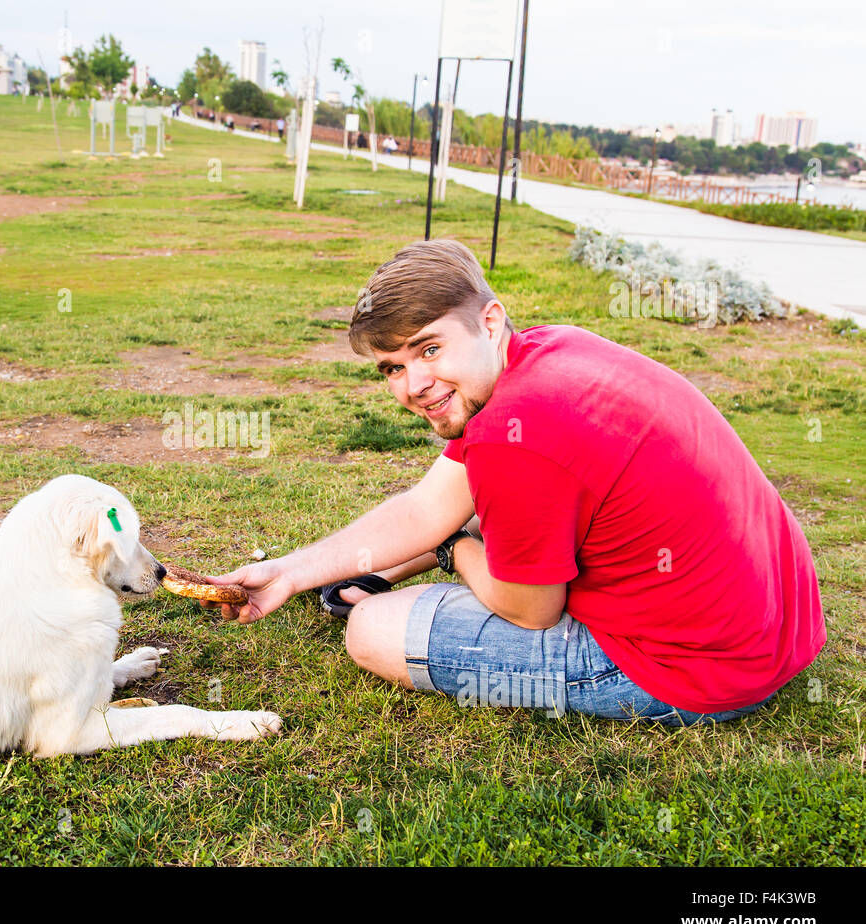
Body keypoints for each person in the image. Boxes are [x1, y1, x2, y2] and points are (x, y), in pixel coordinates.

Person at [205, 239, 825, 726]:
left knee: (372, 631)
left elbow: (533, 611)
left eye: (428, 350)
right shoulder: (551, 348)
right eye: (392, 367)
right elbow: (428, 508)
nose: (413, 385)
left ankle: (388, 588)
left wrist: (455, 551)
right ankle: (362, 576)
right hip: (778, 627)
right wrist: (286, 572)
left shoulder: (512, 435)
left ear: (489, 320)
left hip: (691, 671)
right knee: (468, 519)